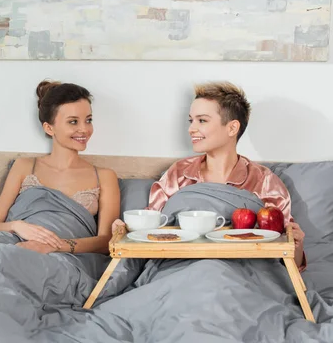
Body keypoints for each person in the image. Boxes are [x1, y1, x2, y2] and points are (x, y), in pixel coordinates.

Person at [113, 81, 306, 270]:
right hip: (180, 268)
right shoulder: (179, 173)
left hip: (240, 272)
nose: (191, 129)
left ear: (232, 128)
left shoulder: (264, 181)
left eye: (202, 120)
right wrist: (125, 230)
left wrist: (296, 245)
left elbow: (287, 260)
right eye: (191, 120)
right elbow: (151, 230)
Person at [0, 80, 120, 254]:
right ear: (49, 128)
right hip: (10, 244)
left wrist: (54, 246)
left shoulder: (104, 176)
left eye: (88, 120)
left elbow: (106, 242)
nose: (84, 129)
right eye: (73, 122)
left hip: (63, 257)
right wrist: (17, 226)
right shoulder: (24, 167)